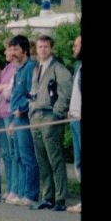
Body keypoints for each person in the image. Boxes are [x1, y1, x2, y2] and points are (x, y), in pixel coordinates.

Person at [28, 33, 72, 211]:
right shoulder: (36, 68)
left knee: (55, 159)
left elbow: (66, 91)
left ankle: (60, 198)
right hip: (35, 117)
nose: (43, 50)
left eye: (46, 46)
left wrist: (57, 113)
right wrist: (31, 108)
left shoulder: (58, 68)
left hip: (49, 116)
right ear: (36, 49)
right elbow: (33, 91)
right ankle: (48, 196)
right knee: (42, 160)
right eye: (40, 47)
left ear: (51, 48)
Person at [5, 35, 39, 206]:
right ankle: (22, 192)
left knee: (28, 157)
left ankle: (31, 194)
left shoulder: (31, 67)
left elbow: (34, 93)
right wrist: (12, 120)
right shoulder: (18, 69)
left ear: (24, 50)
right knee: (19, 157)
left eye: (16, 49)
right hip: (16, 119)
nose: (13, 53)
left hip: (25, 119)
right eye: (11, 49)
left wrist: (22, 109)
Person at [68, 34, 81, 212]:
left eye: (77, 45)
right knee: (78, 161)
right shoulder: (78, 67)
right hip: (74, 119)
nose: (73, 48)